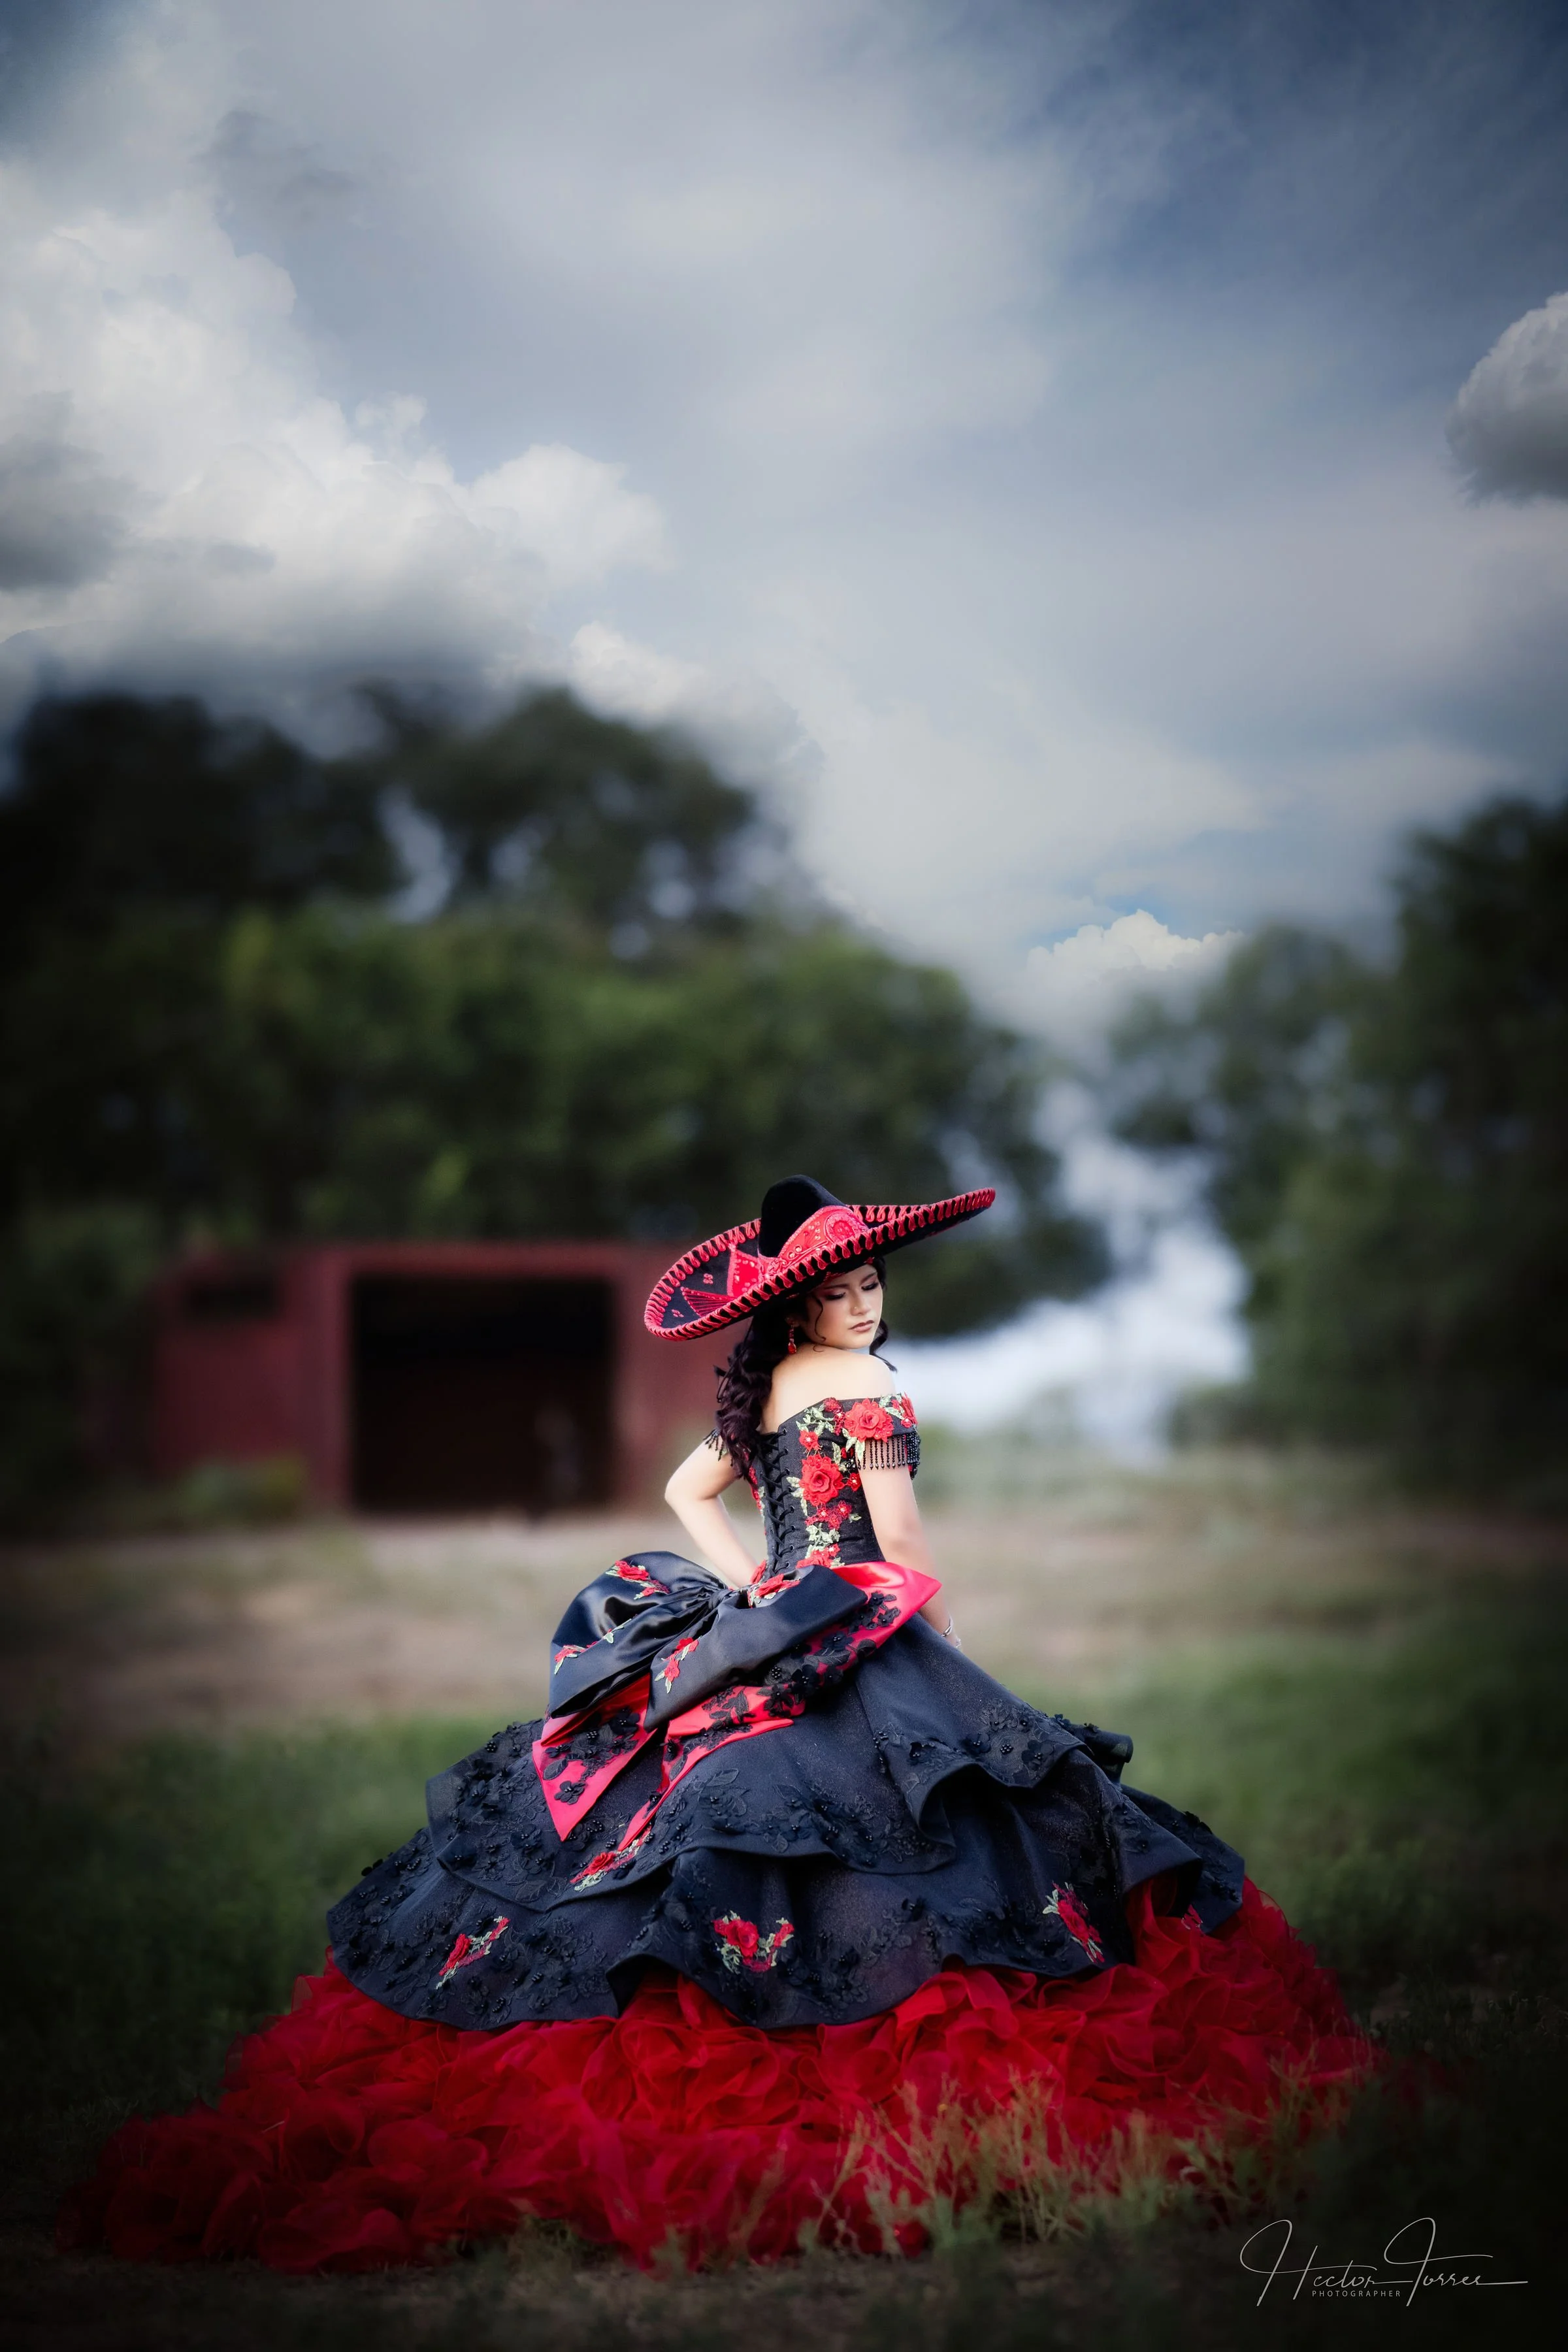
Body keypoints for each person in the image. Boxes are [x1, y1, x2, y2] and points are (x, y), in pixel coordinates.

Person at [63, 1177, 1370, 2274]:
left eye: (873, 1283)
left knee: (692, 1808)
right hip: (866, 1617)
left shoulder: (772, 1390)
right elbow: (901, 1547)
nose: (867, 1303)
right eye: (845, 1288)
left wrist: (757, 1580)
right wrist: (954, 1665)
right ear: (804, 1299)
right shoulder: (865, 1387)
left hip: (775, 1614)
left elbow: (692, 1487)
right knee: (960, 1812)